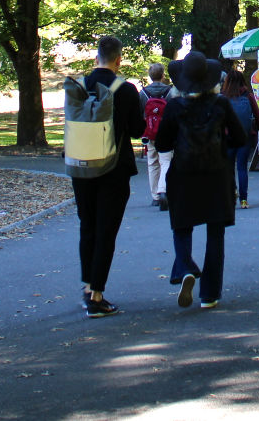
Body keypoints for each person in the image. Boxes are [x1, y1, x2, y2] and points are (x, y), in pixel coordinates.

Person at [156, 51, 245, 310]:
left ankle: (185, 267)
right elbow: (240, 139)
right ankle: (210, 294)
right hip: (216, 175)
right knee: (215, 234)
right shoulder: (221, 104)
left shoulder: (174, 107)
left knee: (181, 227)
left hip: (183, 174)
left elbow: (162, 144)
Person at [72, 35, 145, 318]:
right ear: (118, 60)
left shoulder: (78, 86)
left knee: (87, 225)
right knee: (107, 230)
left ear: (95, 58)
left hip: (81, 167)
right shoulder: (125, 90)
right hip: (114, 169)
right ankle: (97, 296)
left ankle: (87, 285)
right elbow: (138, 130)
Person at [221, 68, 259, 209]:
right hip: (245, 136)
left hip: (228, 137)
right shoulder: (248, 96)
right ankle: (244, 200)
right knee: (242, 168)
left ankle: (232, 194)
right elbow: (257, 117)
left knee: (229, 168)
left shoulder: (223, 97)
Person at [138, 63, 173, 210]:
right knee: (165, 161)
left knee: (152, 162)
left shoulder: (143, 93)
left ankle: (155, 197)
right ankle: (163, 190)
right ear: (163, 75)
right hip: (166, 132)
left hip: (150, 132)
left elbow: (141, 114)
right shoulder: (170, 92)